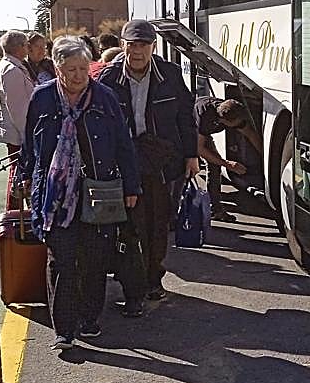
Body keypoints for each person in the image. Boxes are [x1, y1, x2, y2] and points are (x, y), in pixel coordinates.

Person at [19, 37, 139, 350]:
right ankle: (64, 328)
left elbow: (124, 144)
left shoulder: (105, 97)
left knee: (95, 258)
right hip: (55, 195)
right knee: (60, 260)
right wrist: (25, 177)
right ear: (57, 69)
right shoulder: (42, 98)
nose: (78, 75)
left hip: (97, 189)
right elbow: (30, 145)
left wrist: (131, 185)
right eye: (71, 69)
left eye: (83, 68)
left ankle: (89, 317)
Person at [97, 19, 198, 301]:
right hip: (125, 161)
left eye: (143, 45)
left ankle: (154, 278)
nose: (137, 51)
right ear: (123, 46)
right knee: (130, 226)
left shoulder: (171, 74)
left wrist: (191, 155)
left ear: (153, 46)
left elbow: (185, 118)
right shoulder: (108, 78)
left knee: (158, 224)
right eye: (132, 45)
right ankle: (133, 281)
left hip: (161, 160)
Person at [194, 97, 261, 223]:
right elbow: (200, 148)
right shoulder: (206, 116)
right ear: (224, 121)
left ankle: (215, 210)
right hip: (185, 130)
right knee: (199, 167)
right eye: (235, 124)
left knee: (215, 165)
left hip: (203, 134)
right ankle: (177, 211)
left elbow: (250, 133)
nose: (238, 126)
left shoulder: (231, 111)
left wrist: (264, 157)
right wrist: (227, 164)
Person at [0, 30, 35, 210]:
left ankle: (18, 213)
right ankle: (14, 215)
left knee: (19, 175)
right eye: (26, 45)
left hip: (17, 132)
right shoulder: (12, 71)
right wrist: (28, 136)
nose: (28, 49)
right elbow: (18, 109)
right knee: (18, 176)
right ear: (18, 48)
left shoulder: (12, 67)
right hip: (19, 134)